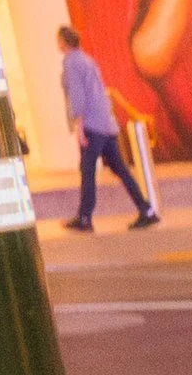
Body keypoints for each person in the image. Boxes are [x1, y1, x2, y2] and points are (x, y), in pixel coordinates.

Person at [61, 24, 157, 230]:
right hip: (106, 123)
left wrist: (79, 127)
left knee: (87, 171)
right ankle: (146, 209)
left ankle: (85, 217)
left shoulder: (71, 63)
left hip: (92, 125)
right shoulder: (88, 60)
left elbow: (77, 96)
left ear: (62, 43)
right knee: (121, 169)